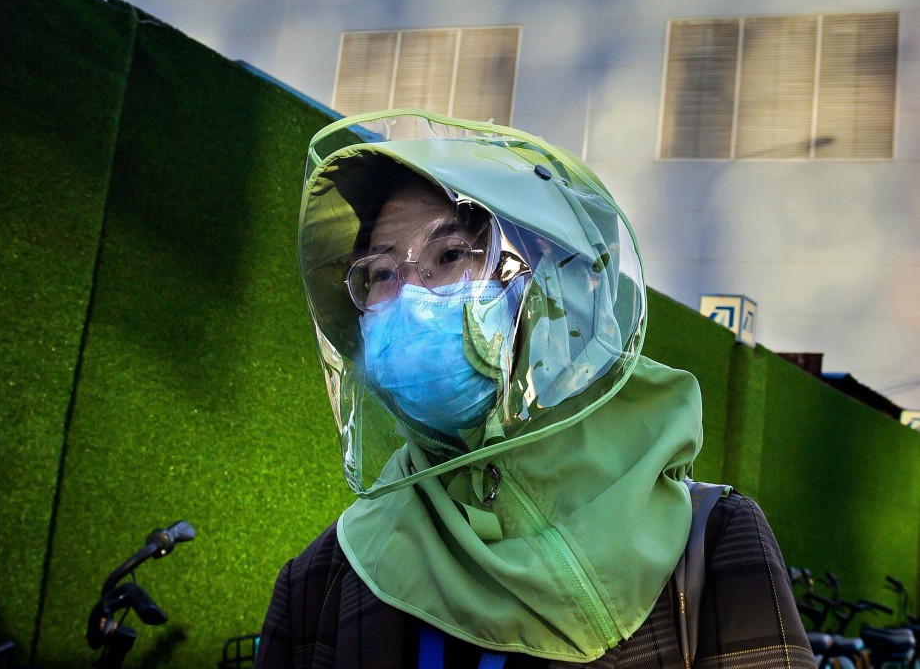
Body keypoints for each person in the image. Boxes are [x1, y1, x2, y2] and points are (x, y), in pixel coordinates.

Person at [254, 109, 814, 668]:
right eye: (380, 275)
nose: (409, 300)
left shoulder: (708, 541)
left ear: (549, 289)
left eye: (449, 257)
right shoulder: (324, 581)